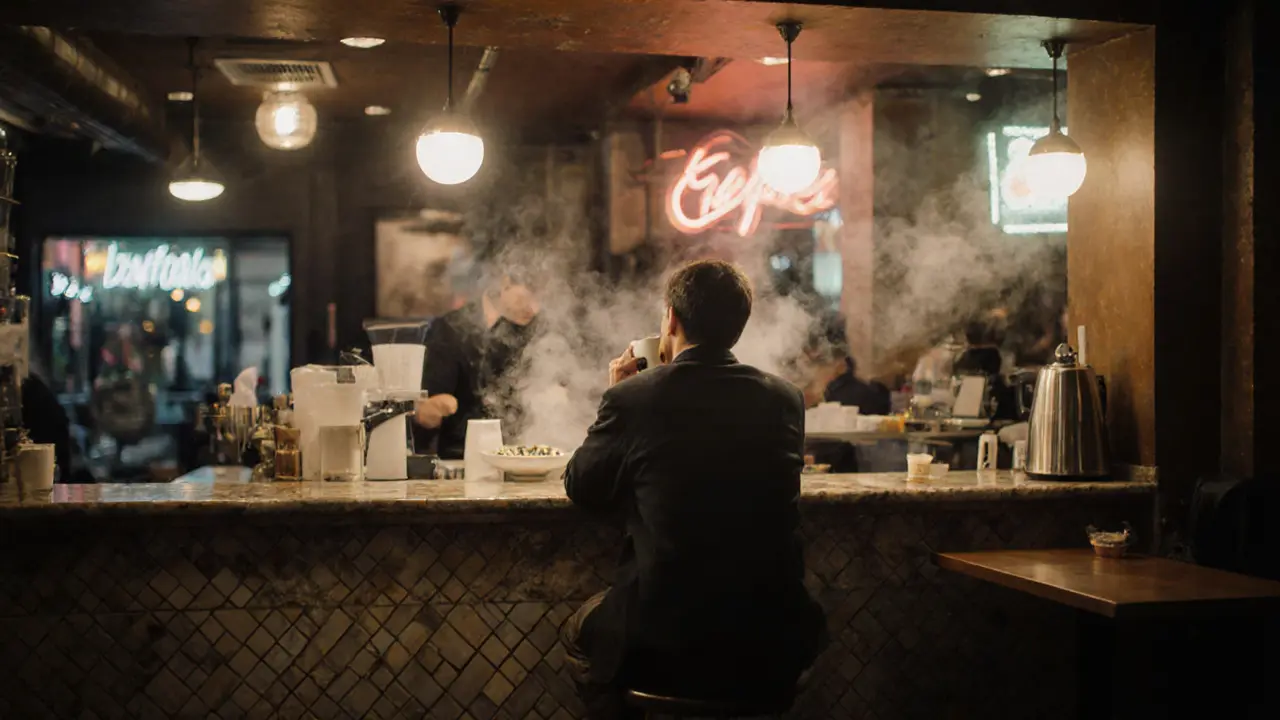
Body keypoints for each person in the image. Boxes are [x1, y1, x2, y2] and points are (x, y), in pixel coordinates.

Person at [561, 259, 826, 719]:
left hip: (662, 640)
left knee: (579, 635)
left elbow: (583, 487)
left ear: (671, 319)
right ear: (739, 326)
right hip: (772, 634)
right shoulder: (785, 398)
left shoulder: (634, 397)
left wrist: (622, 392)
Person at [412, 267, 539, 459]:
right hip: (465, 463)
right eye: (530, 298)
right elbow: (425, 412)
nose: (535, 308)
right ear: (505, 283)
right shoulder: (451, 328)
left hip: (533, 457)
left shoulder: (541, 330)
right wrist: (429, 410)